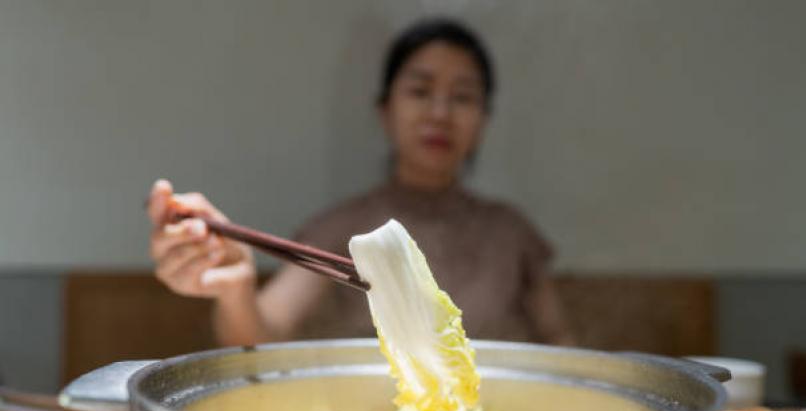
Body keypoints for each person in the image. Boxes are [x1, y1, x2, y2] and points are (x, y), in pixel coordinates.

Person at [147, 18, 575, 347]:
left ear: (483, 122)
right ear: (385, 111)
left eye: (463, 96)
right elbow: (263, 333)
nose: (440, 112)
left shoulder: (511, 231)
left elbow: (561, 346)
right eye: (420, 91)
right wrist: (236, 287)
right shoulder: (342, 228)